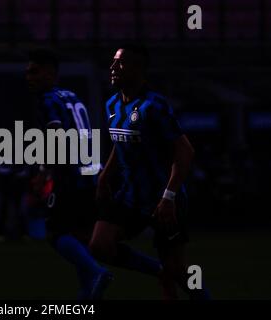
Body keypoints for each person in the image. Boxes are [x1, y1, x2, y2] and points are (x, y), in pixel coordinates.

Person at [90, 45, 210, 300]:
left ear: (137, 69)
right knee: (100, 245)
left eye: (119, 64)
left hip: (163, 199)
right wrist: (105, 177)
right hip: (130, 197)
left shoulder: (154, 105)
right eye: (112, 62)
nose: (112, 68)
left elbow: (185, 152)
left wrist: (169, 196)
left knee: (176, 272)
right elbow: (120, 143)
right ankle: (157, 270)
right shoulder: (112, 104)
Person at [25, 48, 112, 299]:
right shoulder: (72, 96)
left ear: (50, 73)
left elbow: (55, 137)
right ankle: (88, 294)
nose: (28, 77)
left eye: (34, 71)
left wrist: (44, 172)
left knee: (55, 233)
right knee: (81, 237)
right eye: (27, 72)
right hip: (90, 173)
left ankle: (97, 273)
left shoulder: (47, 100)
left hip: (70, 175)